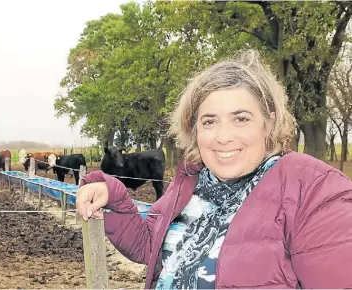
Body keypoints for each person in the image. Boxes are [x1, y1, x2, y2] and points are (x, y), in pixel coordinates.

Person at [76, 49, 352, 289]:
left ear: (268, 123)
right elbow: (150, 245)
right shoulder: (192, 183)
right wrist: (113, 195)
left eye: (240, 119)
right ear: (194, 129)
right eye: (209, 122)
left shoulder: (316, 192)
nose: (223, 136)